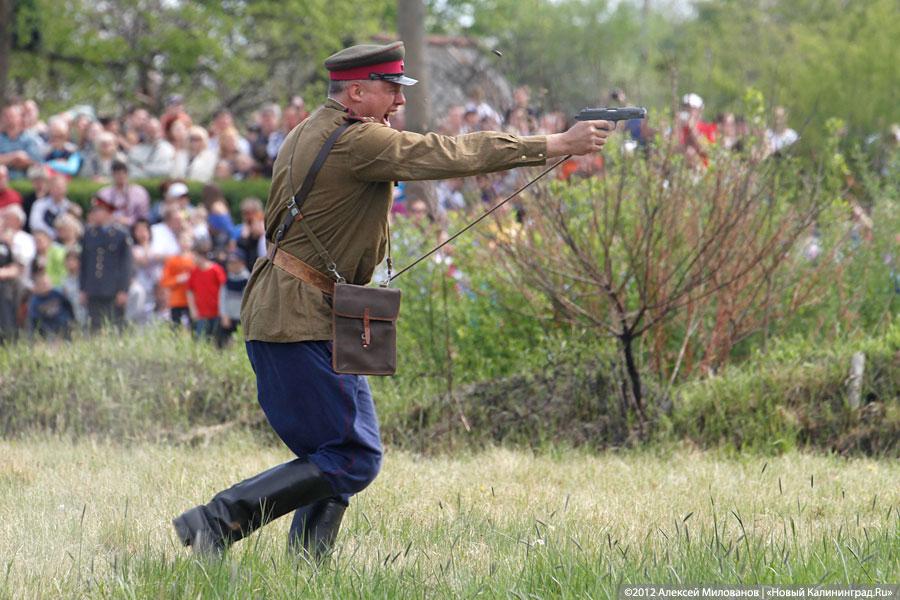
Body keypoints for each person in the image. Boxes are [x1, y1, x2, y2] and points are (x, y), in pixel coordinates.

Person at [172, 40, 612, 557]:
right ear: (356, 92)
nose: (400, 102)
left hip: (306, 309)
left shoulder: (307, 130)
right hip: (300, 315)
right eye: (391, 90)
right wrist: (557, 142)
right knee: (352, 455)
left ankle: (306, 572)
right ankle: (216, 521)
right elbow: (448, 153)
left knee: (340, 454)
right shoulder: (357, 141)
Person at [79, 197, 132, 331]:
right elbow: (84, 264)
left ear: (108, 212)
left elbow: (126, 265)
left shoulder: (120, 235)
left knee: (115, 325)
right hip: (93, 287)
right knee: (95, 326)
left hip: (113, 288)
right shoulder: (89, 234)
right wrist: (82, 288)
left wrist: (123, 289)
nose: (95, 214)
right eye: (94, 211)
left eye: (99, 210)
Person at [186, 237, 225, 339]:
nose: (192, 258)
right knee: (201, 340)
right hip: (201, 315)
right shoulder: (193, 272)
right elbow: (189, 291)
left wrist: (224, 310)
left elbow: (223, 290)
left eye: (194, 255)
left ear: (200, 255)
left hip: (217, 313)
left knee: (217, 340)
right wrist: (193, 310)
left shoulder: (216, 270)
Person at [95, 160, 151, 227]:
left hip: (134, 228)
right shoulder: (103, 194)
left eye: (123, 174)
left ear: (127, 174)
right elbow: (98, 216)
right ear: (112, 175)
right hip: (110, 228)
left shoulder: (140, 192)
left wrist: (128, 221)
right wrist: (113, 219)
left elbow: (143, 217)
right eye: (117, 174)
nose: (120, 177)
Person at [0, 104, 43, 180]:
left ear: (20, 118)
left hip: (25, 175)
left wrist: (5, 160)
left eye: (11, 116)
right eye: (6, 116)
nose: (8, 119)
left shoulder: (30, 138)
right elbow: (19, 158)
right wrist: (15, 157)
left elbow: (35, 161)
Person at [217, 249, 249, 348]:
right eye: (229, 263)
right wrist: (224, 315)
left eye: (234, 262)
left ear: (242, 263)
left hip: (242, 319)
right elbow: (222, 298)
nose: (231, 265)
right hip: (229, 318)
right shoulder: (227, 279)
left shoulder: (248, 279)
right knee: (225, 344)